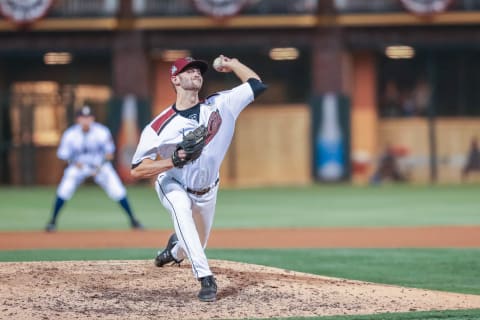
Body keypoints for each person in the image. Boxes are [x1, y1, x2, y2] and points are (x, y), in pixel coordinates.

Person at [130, 55, 267, 302]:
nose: (196, 73)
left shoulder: (221, 105)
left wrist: (234, 64)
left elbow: (257, 85)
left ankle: (173, 252)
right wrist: (172, 161)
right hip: (173, 183)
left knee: (193, 244)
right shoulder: (159, 126)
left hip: (208, 190)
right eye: (189, 70)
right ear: (175, 79)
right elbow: (137, 169)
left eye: (198, 71)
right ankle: (206, 279)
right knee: (181, 209)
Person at [45, 105, 144, 232]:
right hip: (78, 166)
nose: (86, 120)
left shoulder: (102, 131)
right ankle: (52, 221)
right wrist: (74, 162)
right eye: (83, 117)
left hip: (99, 166)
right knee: (64, 189)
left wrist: (100, 164)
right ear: (78, 119)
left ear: (93, 118)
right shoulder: (70, 134)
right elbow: (63, 154)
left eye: (88, 117)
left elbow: (109, 153)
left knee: (118, 190)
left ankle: (133, 220)